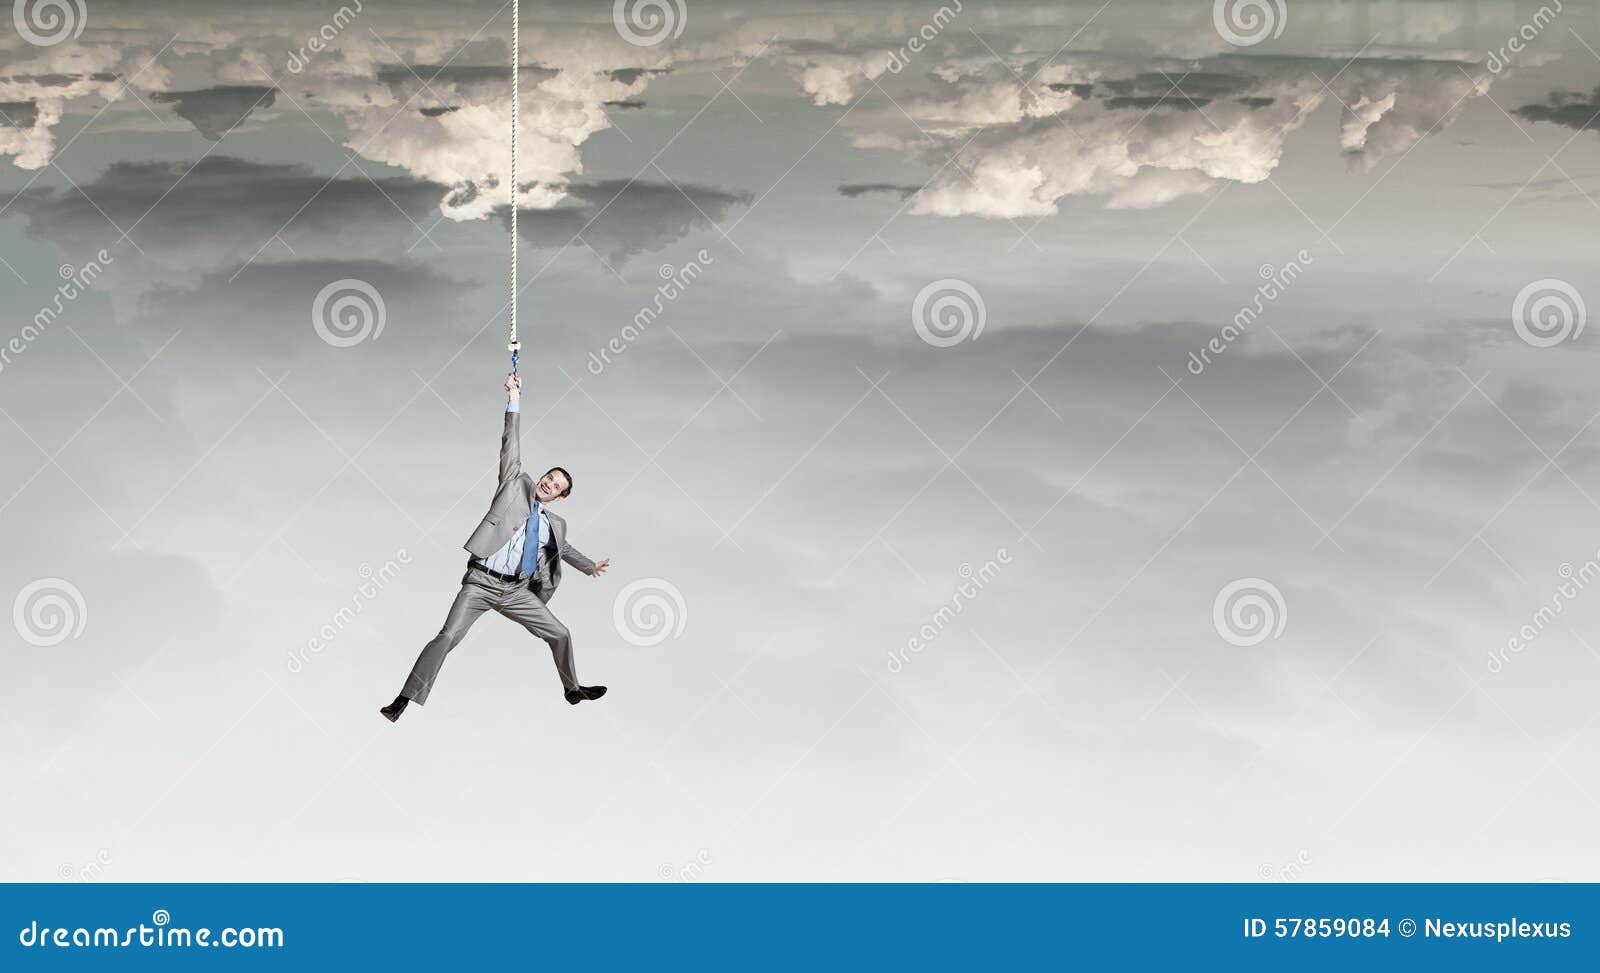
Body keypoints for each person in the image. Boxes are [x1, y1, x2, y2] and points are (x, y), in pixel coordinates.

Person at [380, 373, 611, 721]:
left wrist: (590, 566)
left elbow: (565, 549)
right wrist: (514, 399)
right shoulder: (514, 483)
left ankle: (572, 688)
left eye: (556, 486)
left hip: (517, 592)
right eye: (549, 477)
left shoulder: (555, 525)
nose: (548, 483)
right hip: (480, 584)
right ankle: (404, 698)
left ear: (560, 497)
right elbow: (511, 443)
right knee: (447, 637)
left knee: (561, 633)